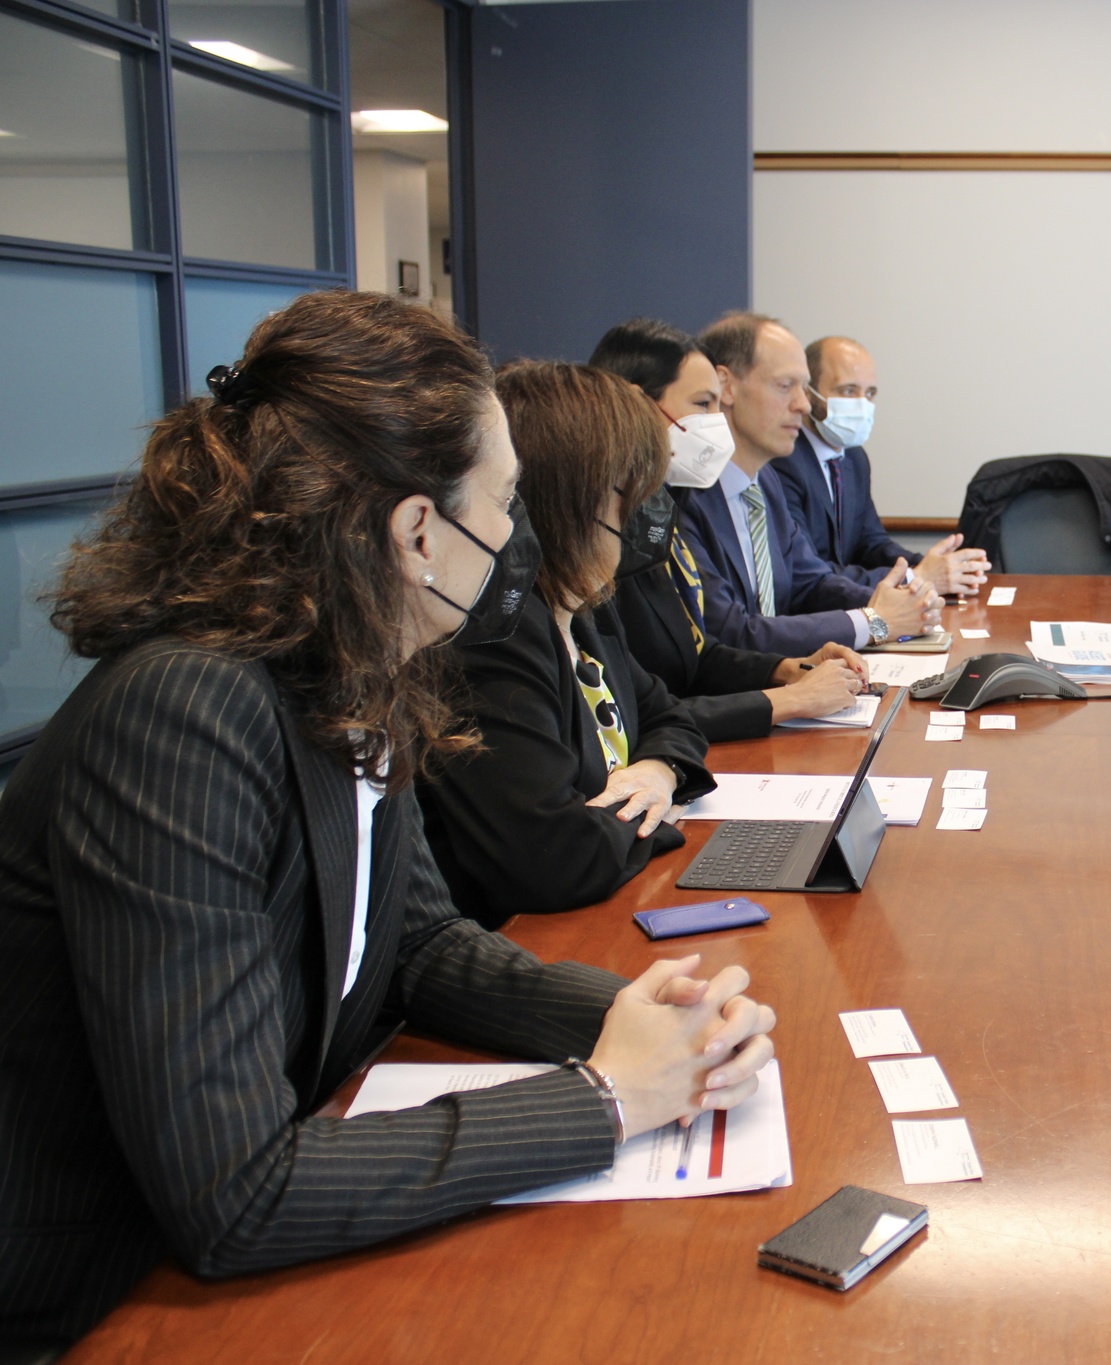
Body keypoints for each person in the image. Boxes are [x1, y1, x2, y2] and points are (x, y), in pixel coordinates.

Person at [0, 292, 776, 1349]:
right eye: (505, 505)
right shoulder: (186, 709)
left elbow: (422, 945)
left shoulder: (340, 670)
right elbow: (236, 1194)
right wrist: (605, 1098)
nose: (515, 536)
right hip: (99, 1303)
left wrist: (644, 1017)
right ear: (418, 532)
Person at [417, 362, 866, 929]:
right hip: (535, 936)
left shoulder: (584, 610)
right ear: (570, 502)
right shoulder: (498, 636)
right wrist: (663, 812)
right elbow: (556, 856)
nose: (648, 513)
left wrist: (657, 771)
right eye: (630, 494)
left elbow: (669, 715)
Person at [587, 319, 874, 738]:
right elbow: (641, 707)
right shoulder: (607, 531)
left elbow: (697, 654)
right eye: (704, 405)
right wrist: (786, 699)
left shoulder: (658, 506)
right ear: (634, 406)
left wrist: (786, 671)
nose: (716, 421)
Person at [678, 312, 941, 655]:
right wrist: (875, 621)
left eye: (803, 388)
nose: (803, 405)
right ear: (726, 386)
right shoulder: (684, 496)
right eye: (785, 386)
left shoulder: (764, 483)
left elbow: (809, 581)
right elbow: (732, 632)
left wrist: (902, 604)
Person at [769, 333, 990, 593]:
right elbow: (808, 571)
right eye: (848, 391)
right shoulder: (783, 461)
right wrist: (915, 576)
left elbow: (870, 543)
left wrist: (936, 567)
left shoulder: (854, 457)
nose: (862, 404)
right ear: (808, 393)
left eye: (870, 393)